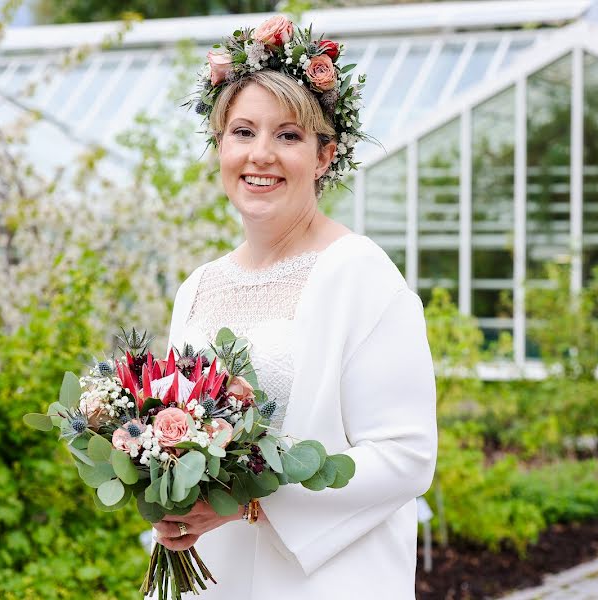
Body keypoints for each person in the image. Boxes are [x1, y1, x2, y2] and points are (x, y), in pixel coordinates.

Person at [151, 15, 437, 599]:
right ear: (219, 145)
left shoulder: (362, 276)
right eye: (242, 132)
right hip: (209, 578)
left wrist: (251, 502)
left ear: (325, 154)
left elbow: (407, 457)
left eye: (288, 135)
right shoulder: (198, 287)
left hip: (324, 579)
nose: (261, 155)